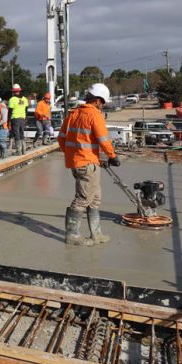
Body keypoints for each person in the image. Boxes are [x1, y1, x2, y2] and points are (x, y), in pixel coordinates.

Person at [59, 83, 120, 246]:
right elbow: (103, 139)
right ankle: (72, 235)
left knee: (95, 198)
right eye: (103, 102)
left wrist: (72, 155)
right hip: (87, 164)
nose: (104, 105)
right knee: (83, 199)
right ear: (98, 100)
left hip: (80, 163)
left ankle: (96, 233)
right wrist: (113, 156)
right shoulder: (95, 115)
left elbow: (61, 138)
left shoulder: (73, 114)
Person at [7, 84, 29, 155]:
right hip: (22, 118)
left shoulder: (12, 99)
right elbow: (26, 110)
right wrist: (26, 118)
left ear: (13, 92)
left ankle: (19, 151)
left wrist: (8, 121)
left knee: (16, 134)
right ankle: (24, 150)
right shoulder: (25, 99)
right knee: (21, 133)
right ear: (19, 91)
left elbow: (10, 111)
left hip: (15, 118)